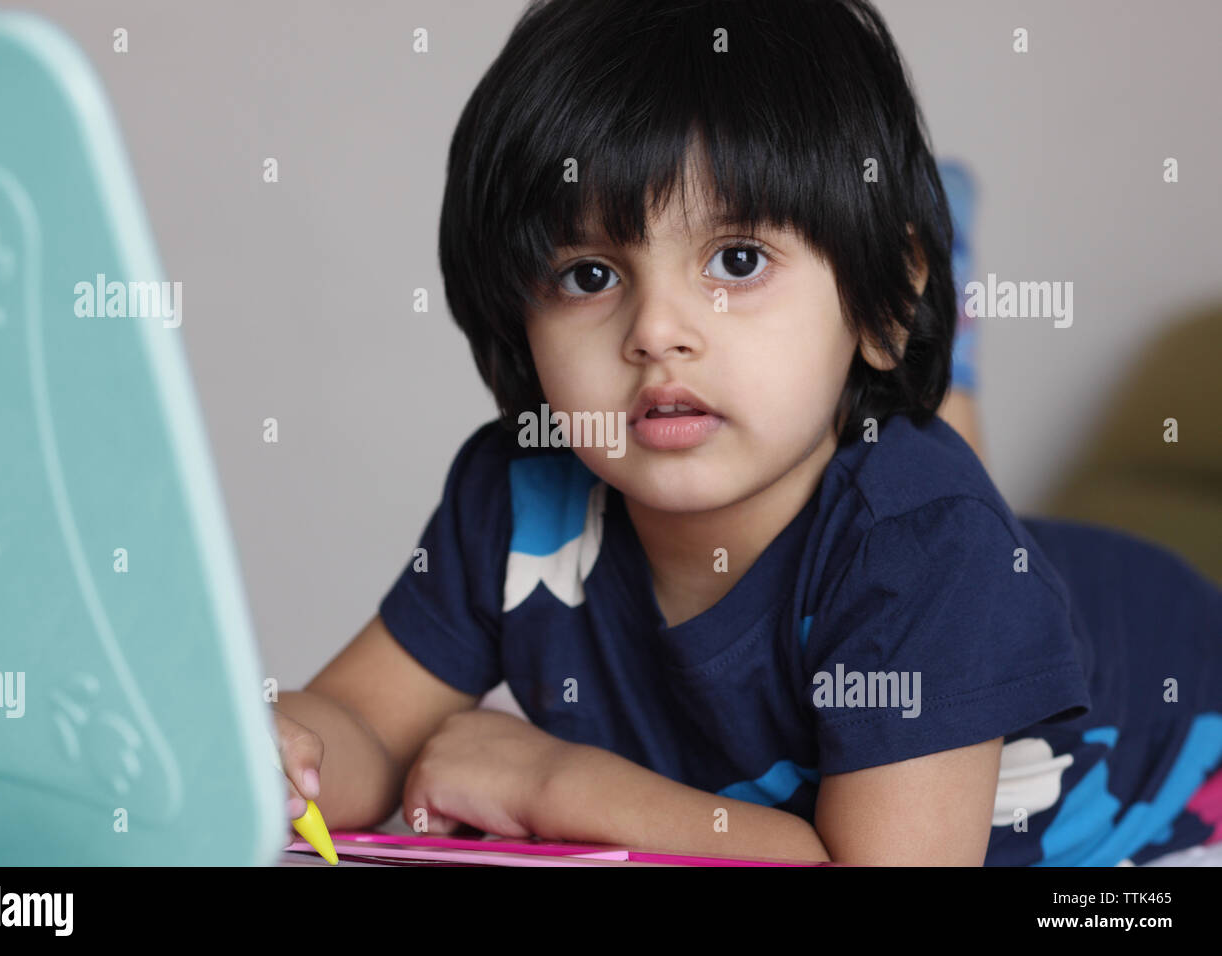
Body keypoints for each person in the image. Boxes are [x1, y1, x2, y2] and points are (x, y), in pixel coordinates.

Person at [274, 0, 1222, 866]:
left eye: (736, 259)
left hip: (1176, 791)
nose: (655, 332)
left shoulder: (924, 547)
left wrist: (555, 782)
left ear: (882, 304)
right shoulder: (520, 496)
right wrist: (275, 747)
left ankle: (935, 336)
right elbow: (360, 724)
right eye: (590, 276)